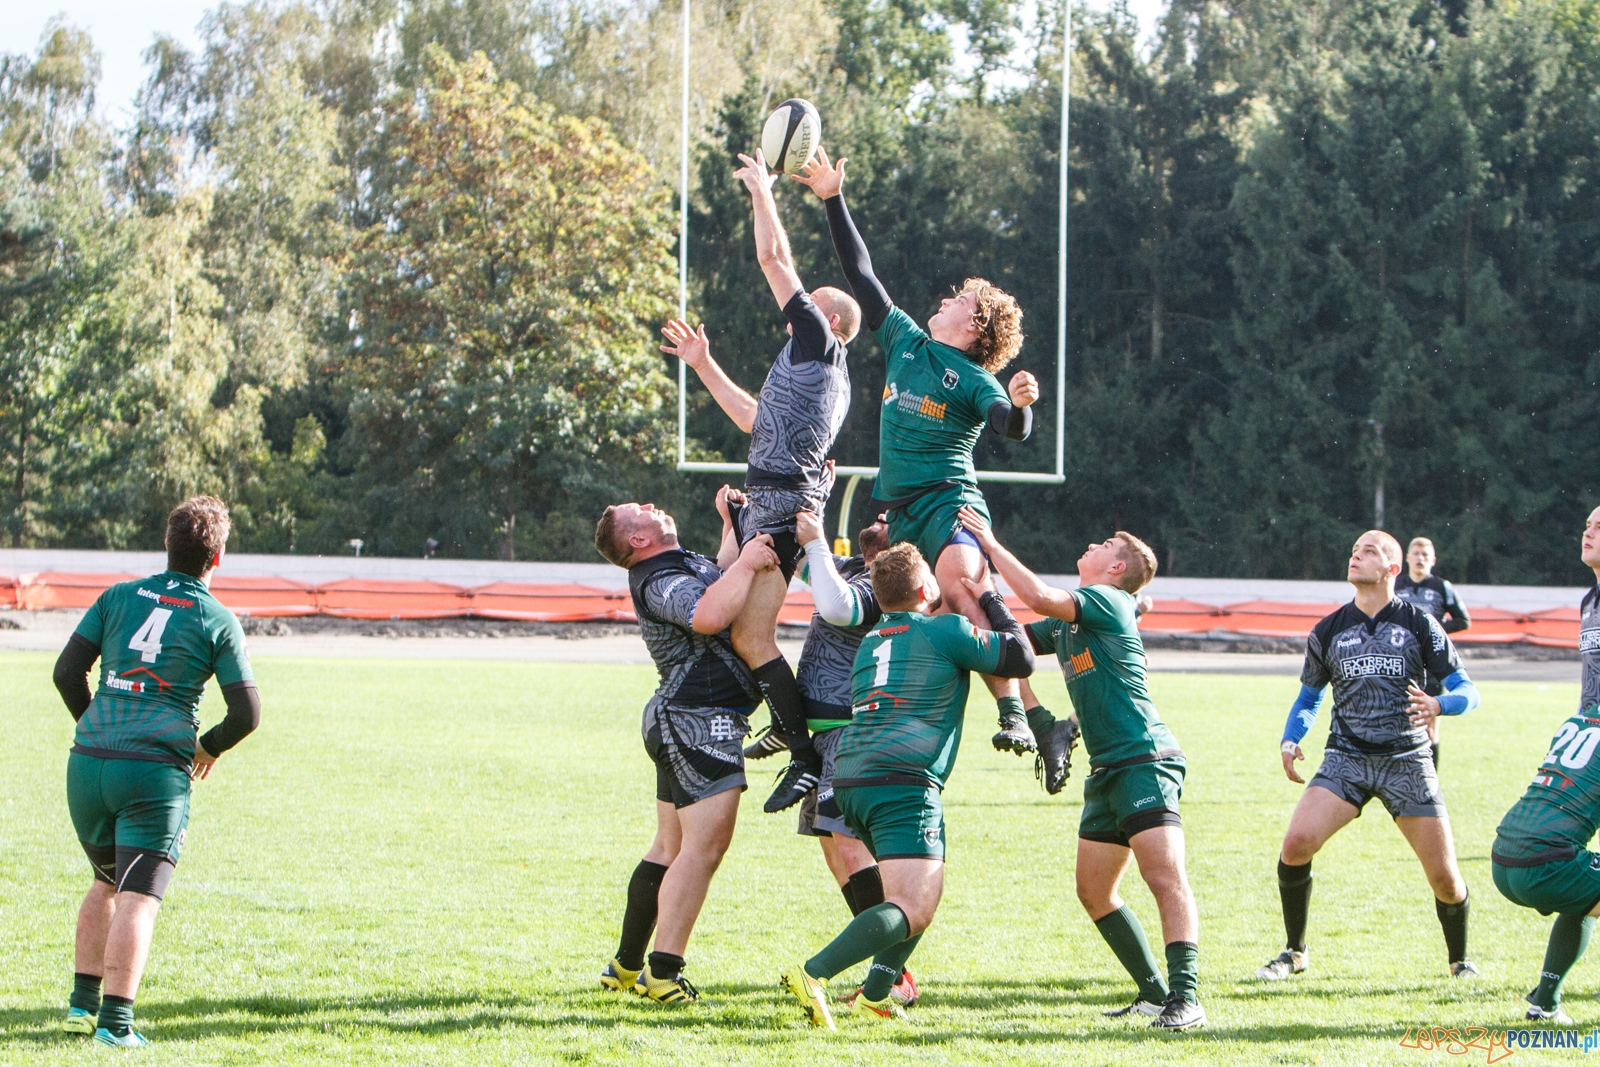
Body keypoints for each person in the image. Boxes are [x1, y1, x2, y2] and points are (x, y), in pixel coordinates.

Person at [791, 149, 1045, 762]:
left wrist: (1023, 405)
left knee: (960, 589)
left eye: (961, 299)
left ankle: (1016, 713)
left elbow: (1011, 428)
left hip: (951, 503)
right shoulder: (906, 340)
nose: (948, 299)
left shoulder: (976, 378)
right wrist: (832, 196)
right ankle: (888, 725)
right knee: (907, 616)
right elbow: (862, 274)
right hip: (899, 511)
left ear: (975, 325)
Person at [660, 148, 863, 815]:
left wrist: (760, 190)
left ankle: (802, 749)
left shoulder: (818, 339)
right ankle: (797, 740)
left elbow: (774, 260)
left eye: (801, 311)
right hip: (777, 501)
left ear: (828, 320)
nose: (788, 319)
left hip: (779, 506)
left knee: (749, 636)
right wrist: (705, 363)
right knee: (749, 635)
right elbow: (755, 416)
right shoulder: (821, 373)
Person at [959, 507, 1206, 1030]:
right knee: (1094, 891)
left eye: (1102, 546)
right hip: (1108, 768)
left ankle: (1187, 1000)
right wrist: (968, 601)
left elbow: (1040, 598)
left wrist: (991, 545)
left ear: (1117, 568)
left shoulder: (1110, 600)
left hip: (1145, 758)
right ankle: (1154, 994)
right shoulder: (1075, 618)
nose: (1091, 546)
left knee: (1164, 876)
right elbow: (1014, 643)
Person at [780, 543, 1035, 1029]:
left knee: (919, 889)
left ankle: (876, 996)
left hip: (852, 776)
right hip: (902, 777)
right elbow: (1019, 658)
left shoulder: (873, 638)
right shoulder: (946, 630)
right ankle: (813, 974)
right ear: (927, 589)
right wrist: (991, 597)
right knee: (912, 904)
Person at [53, 496, 261, 1047]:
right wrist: (207, 749)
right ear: (217, 558)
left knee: (104, 882)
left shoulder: (117, 596)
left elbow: (67, 672)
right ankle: (115, 1025)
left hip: (88, 765)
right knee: (138, 896)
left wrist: (98, 728)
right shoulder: (216, 618)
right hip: (152, 772)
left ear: (168, 546)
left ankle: (81, 1007)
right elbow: (246, 714)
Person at [1262, 530, 1482, 983]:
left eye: (1369, 551)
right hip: (1346, 758)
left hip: (1408, 761)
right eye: (1354, 550)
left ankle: (1460, 961)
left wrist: (1441, 704)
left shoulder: (1421, 625)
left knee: (1445, 879)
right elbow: (1308, 699)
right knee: (1295, 845)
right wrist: (1290, 739)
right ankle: (1294, 951)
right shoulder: (1328, 629)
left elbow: (1469, 690)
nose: (1355, 556)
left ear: (1392, 569)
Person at [593, 490, 780, 1003]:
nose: (652, 506)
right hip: (698, 721)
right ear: (638, 539)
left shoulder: (673, 563)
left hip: (683, 718)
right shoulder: (656, 579)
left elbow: (720, 578)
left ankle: (625, 967)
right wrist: (747, 561)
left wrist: (729, 528)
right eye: (643, 511)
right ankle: (663, 974)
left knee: (670, 847)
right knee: (702, 850)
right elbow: (706, 613)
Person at [789, 509, 919, 1008]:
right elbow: (794, 561)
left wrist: (817, 540)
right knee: (833, 848)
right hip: (824, 738)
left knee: (848, 848)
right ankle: (887, 971)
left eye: (896, 516)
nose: (881, 513)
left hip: (854, 731)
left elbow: (839, 609)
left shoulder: (886, 587)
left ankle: (893, 975)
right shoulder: (845, 567)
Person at [1490, 505, 1600, 1023]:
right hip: (1590, 737)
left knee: (1584, 879)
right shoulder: (1588, 601)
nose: (1588, 530)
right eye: (1587, 523)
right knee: (1581, 874)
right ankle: (1546, 996)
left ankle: (1545, 998)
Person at [1395, 536, 1472, 768]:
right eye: (1416, 553)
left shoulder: (1441, 587)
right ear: (1407, 557)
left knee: (1428, 725)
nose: (1420, 558)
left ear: (1433, 560)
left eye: (1425, 555)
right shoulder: (1395, 585)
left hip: (1431, 665)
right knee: (1395, 721)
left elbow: (1463, 620)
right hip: (1399, 663)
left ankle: (1430, 780)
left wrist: (1433, 629)